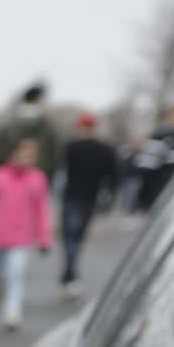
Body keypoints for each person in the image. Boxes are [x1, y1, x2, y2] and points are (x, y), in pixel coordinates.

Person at [0, 136, 54, 327]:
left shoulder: (37, 179)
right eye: (23, 154)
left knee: (16, 273)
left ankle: (12, 311)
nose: (27, 159)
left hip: (21, 237)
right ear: (13, 154)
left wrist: (44, 238)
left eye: (31, 155)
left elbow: (42, 211)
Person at [57, 110, 120, 286]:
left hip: (72, 196)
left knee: (70, 235)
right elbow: (113, 177)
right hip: (90, 197)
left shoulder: (70, 147)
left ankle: (69, 271)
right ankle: (70, 271)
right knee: (77, 236)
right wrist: (109, 198)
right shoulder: (105, 149)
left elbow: (61, 172)